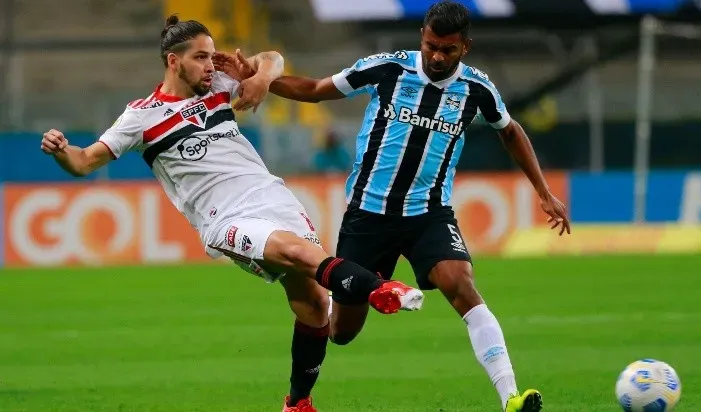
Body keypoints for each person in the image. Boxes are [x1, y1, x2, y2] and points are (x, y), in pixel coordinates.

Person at [39, 15, 425, 412]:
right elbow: (85, 161)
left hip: (273, 197)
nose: (210, 65)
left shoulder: (222, 85)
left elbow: (272, 57)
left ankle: (297, 402)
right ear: (173, 61)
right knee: (293, 252)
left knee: (312, 302)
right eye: (200, 57)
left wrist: (259, 79)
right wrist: (61, 150)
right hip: (226, 218)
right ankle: (376, 287)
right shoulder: (142, 116)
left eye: (212, 55)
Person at [215, 1, 571, 411]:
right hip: (368, 216)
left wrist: (543, 191)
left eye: (447, 50)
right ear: (422, 36)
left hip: (428, 214)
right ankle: (330, 297)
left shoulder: (477, 89)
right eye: (431, 46)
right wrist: (257, 77)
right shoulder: (388, 68)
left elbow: (510, 131)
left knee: (463, 285)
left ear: (465, 48)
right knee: (341, 332)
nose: (437, 56)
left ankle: (511, 396)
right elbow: (313, 90)